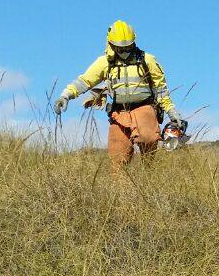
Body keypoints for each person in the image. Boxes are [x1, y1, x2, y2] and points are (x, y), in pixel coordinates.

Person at [53, 20, 183, 169]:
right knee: (118, 157)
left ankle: (149, 175)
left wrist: (172, 112)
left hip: (144, 108)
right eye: (120, 49)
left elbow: (161, 90)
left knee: (148, 139)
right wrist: (65, 96)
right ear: (111, 45)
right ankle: (121, 190)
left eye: (128, 47)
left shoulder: (148, 60)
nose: (125, 52)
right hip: (119, 113)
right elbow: (84, 81)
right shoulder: (104, 63)